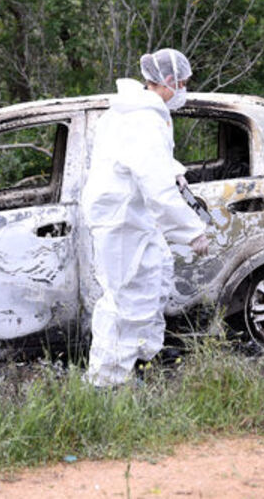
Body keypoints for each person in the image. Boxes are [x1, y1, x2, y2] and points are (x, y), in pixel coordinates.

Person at [81, 47, 210, 388]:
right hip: (123, 220)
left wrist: (175, 169)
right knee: (127, 300)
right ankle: (108, 383)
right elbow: (157, 190)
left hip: (133, 217)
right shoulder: (143, 119)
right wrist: (192, 231)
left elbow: (140, 161)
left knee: (155, 280)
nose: (184, 89)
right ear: (168, 81)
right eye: (183, 83)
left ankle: (141, 360)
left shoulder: (134, 112)